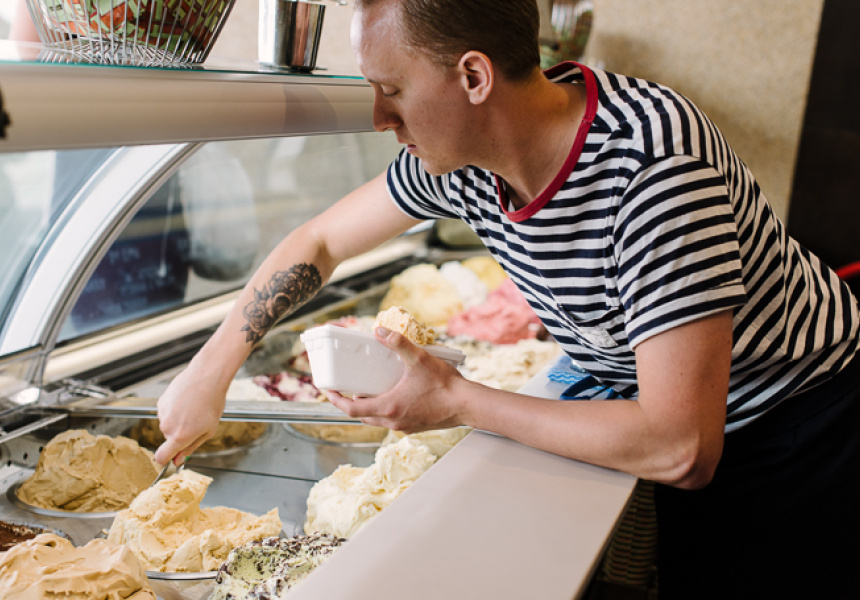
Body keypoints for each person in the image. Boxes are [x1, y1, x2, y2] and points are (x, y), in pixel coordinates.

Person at [155, 0, 860, 597]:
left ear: (474, 76)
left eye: (391, 89)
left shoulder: (652, 167)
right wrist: (208, 371)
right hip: (703, 425)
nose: (377, 116)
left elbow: (681, 447)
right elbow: (320, 241)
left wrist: (457, 400)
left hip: (803, 431)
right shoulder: (464, 164)